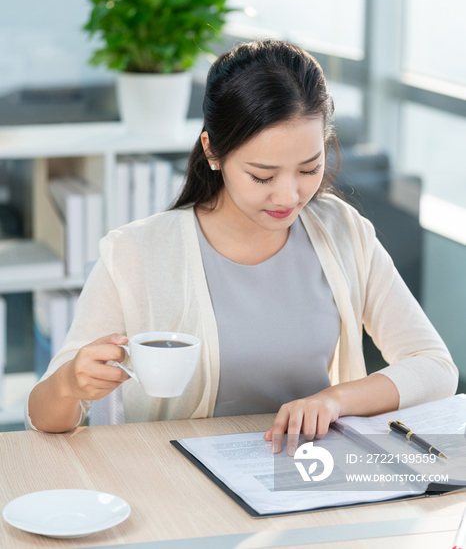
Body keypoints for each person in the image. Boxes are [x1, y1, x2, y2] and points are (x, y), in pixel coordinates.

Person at [26, 39, 458, 453]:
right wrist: (69, 385)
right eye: (263, 176)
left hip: (306, 476)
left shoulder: (343, 232)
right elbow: (43, 417)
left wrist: (335, 400)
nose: (289, 196)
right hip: (173, 486)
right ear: (213, 151)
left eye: (309, 168)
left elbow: (435, 366)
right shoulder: (134, 253)